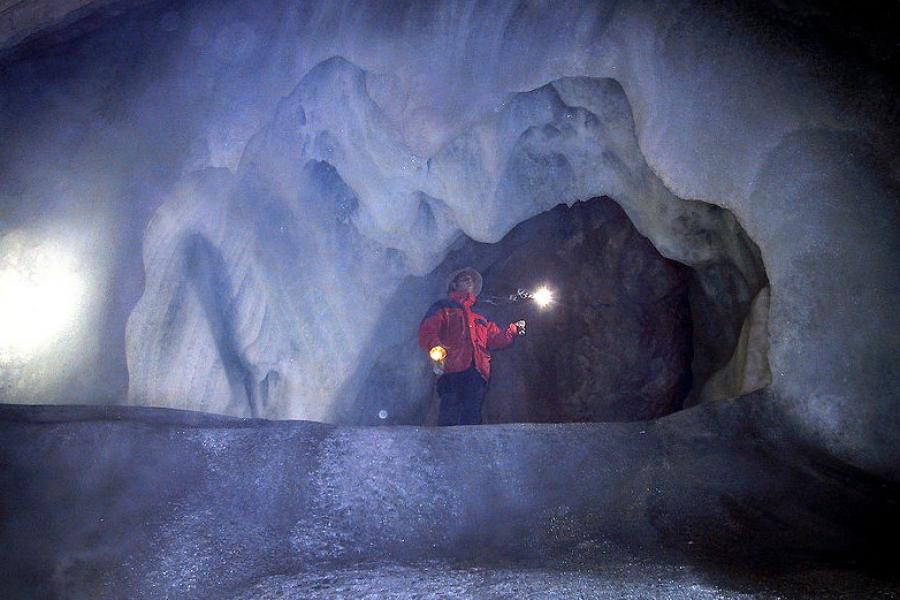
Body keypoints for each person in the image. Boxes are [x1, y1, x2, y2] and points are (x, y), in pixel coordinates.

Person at [418, 267, 525, 425]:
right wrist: (436, 347)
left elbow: (495, 339)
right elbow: (427, 330)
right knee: (450, 409)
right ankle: (446, 447)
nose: (470, 281)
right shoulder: (443, 307)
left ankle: (469, 448)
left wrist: (512, 330)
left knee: (472, 411)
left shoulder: (480, 314)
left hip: (476, 371)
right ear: (454, 285)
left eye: (471, 279)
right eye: (464, 278)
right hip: (451, 369)